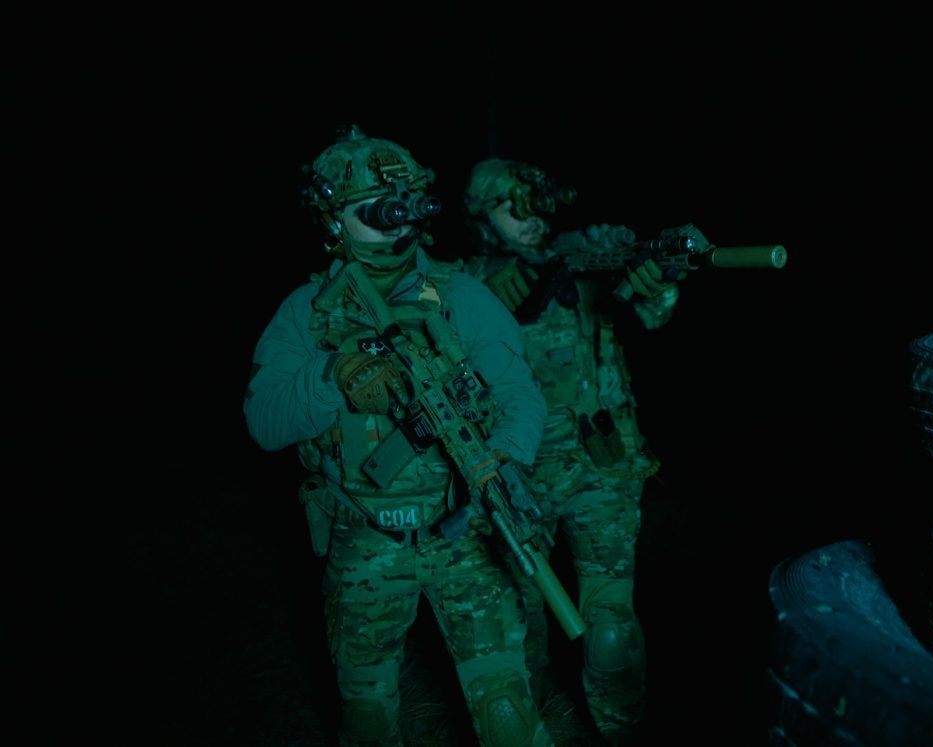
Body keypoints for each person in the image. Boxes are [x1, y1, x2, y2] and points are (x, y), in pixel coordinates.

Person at [243, 127, 555, 747]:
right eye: (375, 209)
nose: (397, 220)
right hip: (365, 539)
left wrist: (504, 456)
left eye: (406, 202)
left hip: (462, 534)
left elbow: (521, 394)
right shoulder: (306, 311)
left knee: (507, 717)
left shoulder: (461, 296)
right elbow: (264, 422)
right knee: (368, 723)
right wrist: (332, 375)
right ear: (332, 219)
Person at [461, 158, 707, 744]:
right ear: (481, 217)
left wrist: (658, 278)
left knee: (610, 626)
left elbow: (653, 309)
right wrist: (481, 301)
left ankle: (620, 730)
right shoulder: (465, 281)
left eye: (532, 200)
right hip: (510, 475)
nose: (526, 216)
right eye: (507, 205)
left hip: (599, 467)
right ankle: (538, 723)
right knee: (520, 623)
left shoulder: (583, 255)